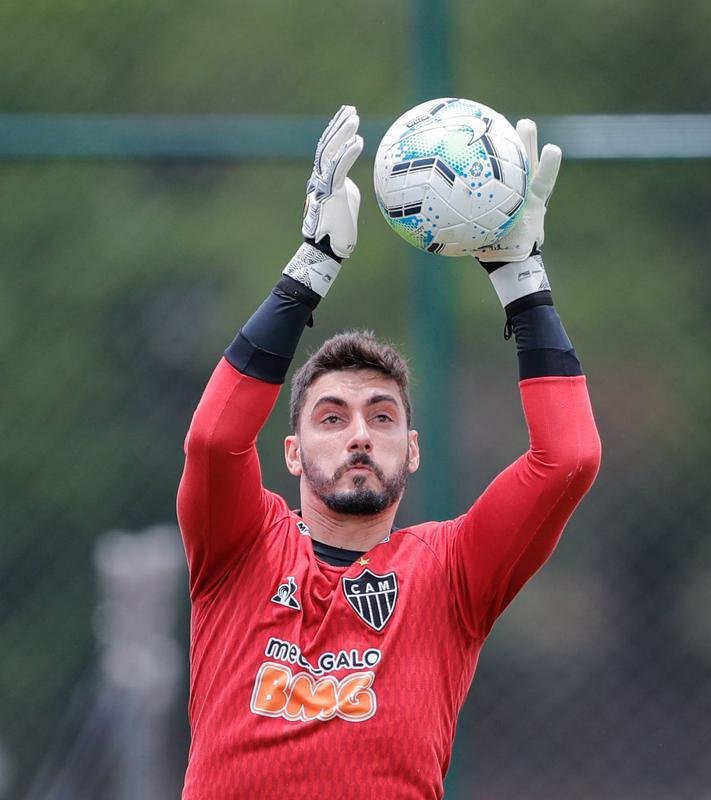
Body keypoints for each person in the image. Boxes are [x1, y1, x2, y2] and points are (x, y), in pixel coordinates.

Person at [177, 104, 601, 800]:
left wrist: (523, 281)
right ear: (290, 452)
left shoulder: (453, 574)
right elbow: (215, 440)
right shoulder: (238, 549)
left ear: (412, 451)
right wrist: (309, 268)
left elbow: (570, 459)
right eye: (332, 417)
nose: (360, 434)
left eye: (382, 417)